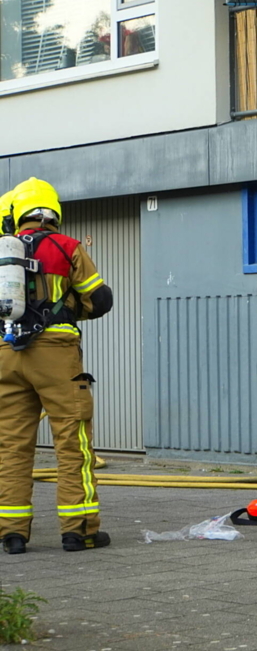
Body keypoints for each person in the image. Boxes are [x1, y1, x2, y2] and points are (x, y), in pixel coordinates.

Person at [0, 178, 114, 554]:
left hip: (7, 354)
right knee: (72, 440)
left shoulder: (3, 255)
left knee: (12, 446)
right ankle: (78, 530)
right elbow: (100, 300)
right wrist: (66, 307)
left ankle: (12, 533)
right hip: (56, 354)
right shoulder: (67, 247)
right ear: (53, 212)